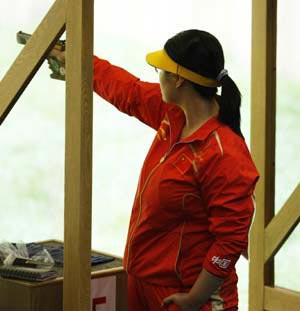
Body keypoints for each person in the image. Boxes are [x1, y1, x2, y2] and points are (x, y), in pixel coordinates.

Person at [49, 29, 259, 311]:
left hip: (190, 296)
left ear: (179, 79)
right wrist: (79, 61)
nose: (157, 76)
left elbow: (230, 242)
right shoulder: (173, 114)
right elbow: (128, 91)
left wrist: (195, 298)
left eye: (161, 69)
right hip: (143, 281)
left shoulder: (225, 154)